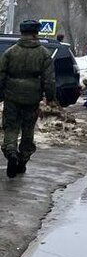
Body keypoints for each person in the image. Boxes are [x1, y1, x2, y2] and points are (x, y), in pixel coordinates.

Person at [0, 20, 57, 177]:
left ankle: (11, 151)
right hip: (32, 97)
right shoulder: (44, 53)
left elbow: (1, 75)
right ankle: (23, 159)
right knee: (28, 129)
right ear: (36, 32)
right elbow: (49, 79)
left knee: (11, 127)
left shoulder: (10, 52)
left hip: (12, 96)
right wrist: (51, 97)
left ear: (21, 31)